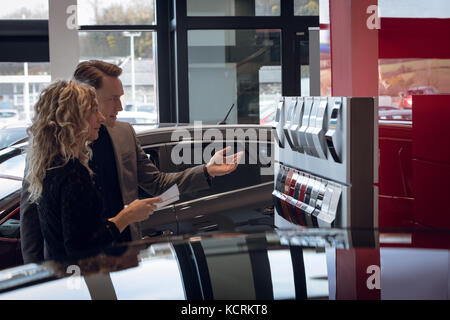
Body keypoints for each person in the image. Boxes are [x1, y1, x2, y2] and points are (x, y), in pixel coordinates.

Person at [20, 60, 242, 263]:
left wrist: (207, 170)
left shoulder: (124, 133)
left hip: (122, 252)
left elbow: (157, 182)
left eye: (121, 97)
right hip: (74, 266)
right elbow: (31, 216)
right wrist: (34, 271)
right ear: (86, 98)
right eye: (112, 98)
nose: (120, 106)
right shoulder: (51, 151)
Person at [25, 80, 162, 260]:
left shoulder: (52, 165)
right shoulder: (72, 173)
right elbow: (82, 246)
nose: (101, 117)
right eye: (93, 111)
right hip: (82, 279)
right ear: (74, 119)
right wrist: (126, 216)